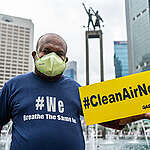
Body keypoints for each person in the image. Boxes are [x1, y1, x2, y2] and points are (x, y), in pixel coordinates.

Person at [0, 33, 150, 150]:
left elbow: (115, 119)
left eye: (59, 53)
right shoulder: (13, 86)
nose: (52, 57)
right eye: (46, 51)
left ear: (65, 60)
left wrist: (142, 112)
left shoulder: (76, 89)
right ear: (35, 55)